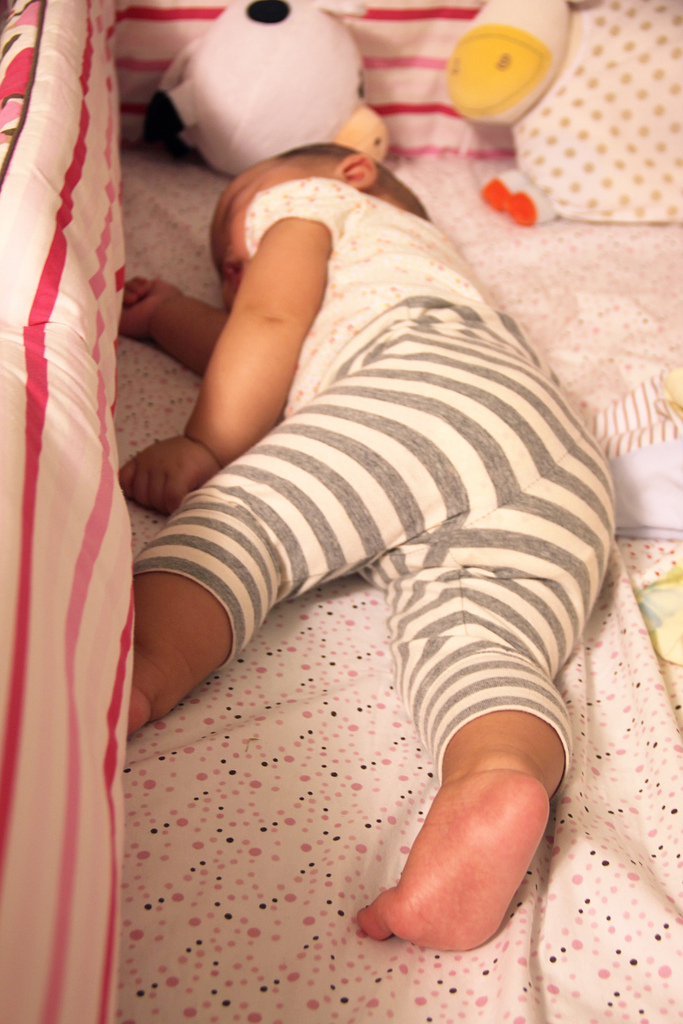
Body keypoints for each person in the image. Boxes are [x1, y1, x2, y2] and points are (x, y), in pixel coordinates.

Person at [119, 143, 614, 952]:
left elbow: (270, 323)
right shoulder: (421, 272)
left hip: (426, 390)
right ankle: (496, 777)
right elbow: (265, 350)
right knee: (479, 644)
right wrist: (164, 316)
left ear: (350, 171)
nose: (231, 269)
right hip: (560, 460)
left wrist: (205, 443)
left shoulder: (312, 206)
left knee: (245, 519)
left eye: (235, 237)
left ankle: (137, 663)